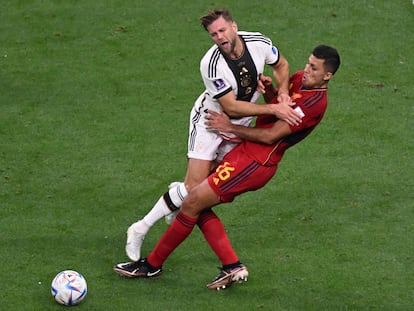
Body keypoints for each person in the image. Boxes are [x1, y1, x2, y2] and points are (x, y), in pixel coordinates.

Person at [114, 45, 341, 290]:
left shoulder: (315, 103)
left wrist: (229, 126)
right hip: (245, 152)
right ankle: (231, 266)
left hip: (254, 163)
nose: (306, 70)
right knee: (195, 199)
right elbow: (277, 109)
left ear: (327, 75)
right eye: (308, 63)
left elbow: (270, 136)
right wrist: (270, 92)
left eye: (314, 68)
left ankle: (151, 265)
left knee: (192, 201)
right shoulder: (299, 79)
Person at [124, 8, 302, 262]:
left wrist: (282, 91)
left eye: (222, 30)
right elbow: (230, 106)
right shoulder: (211, 64)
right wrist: (274, 107)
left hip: (240, 126)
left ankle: (178, 196)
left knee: (206, 187)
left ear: (234, 26)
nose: (219, 37)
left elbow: (282, 64)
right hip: (210, 121)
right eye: (213, 34)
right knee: (195, 189)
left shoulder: (259, 43)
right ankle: (140, 228)